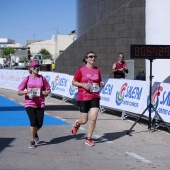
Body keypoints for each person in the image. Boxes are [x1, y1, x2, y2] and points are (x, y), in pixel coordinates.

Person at [71, 51, 105, 147]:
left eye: (94, 56)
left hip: (95, 96)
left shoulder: (97, 70)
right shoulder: (81, 70)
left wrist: (101, 83)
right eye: (91, 57)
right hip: (83, 97)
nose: (93, 58)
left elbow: (99, 81)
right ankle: (78, 123)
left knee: (93, 118)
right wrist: (82, 85)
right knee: (84, 120)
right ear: (86, 58)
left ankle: (88, 138)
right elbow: (73, 82)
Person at [17, 61, 51, 149]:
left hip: (40, 103)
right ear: (31, 68)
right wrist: (26, 91)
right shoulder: (27, 79)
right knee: (33, 122)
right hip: (29, 103)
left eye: (38, 67)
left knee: (39, 124)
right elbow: (19, 92)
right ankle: (32, 141)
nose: (37, 68)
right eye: (35, 67)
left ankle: (34, 132)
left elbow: (48, 89)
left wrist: (45, 92)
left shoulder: (42, 79)